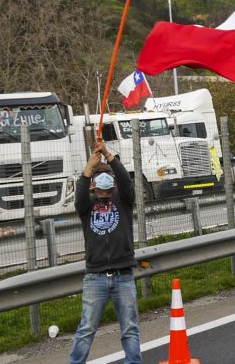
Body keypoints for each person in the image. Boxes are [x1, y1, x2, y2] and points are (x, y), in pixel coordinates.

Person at [69, 140, 140, 364]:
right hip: (95, 277)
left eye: (107, 190)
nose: (104, 194)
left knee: (129, 328)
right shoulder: (86, 207)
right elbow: (80, 192)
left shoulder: (123, 202)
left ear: (113, 189)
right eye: (100, 190)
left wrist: (108, 155)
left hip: (123, 275)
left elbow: (126, 182)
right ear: (94, 188)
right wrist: (89, 165)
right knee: (86, 328)